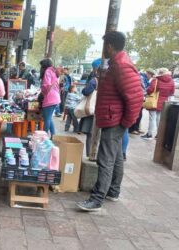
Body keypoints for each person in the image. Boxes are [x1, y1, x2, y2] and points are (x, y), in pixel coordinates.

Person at [77, 31, 144, 212]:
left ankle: (97, 199)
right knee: (115, 157)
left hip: (115, 120)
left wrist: (125, 122)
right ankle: (113, 191)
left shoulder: (121, 66)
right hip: (114, 118)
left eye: (104, 46)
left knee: (105, 159)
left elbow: (135, 98)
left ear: (109, 46)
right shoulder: (116, 64)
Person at [141, 68, 175, 140]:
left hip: (154, 102)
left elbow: (150, 90)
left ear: (159, 73)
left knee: (151, 118)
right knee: (159, 118)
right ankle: (158, 135)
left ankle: (149, 135)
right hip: (164, 103)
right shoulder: (171, 81)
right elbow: (172, 92)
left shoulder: (156, 80)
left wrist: (147, 91)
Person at [79, 58, 101, 157]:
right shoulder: (109, 81)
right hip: (102, 110)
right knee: (99, 135)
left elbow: (86, 91)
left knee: (90, 133)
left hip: (92, 109)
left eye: (94, 68)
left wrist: (84, 89)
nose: (93, 69)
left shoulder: (94, 80)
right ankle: (96, 154)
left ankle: (90, 154)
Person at [39, 58, 60, 137]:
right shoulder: (53, 71)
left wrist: (43, 92)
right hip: (55, 97)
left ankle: (44, 137)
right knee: (49, 118)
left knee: (47, 119)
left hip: (50, 97)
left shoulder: (47, 71)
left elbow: (46, 85)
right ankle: (53, 136)